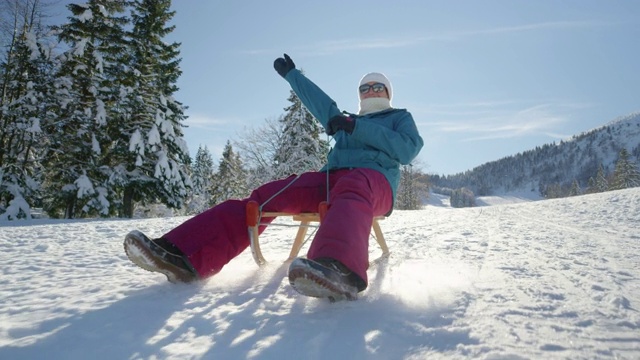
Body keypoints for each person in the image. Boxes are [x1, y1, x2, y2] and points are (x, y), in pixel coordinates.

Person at [124, 53, 423, 301]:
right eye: (365, 87)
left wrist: (356, 128)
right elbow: (323, 105)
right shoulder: (346, 119)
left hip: (374, 183)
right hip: (333, 179)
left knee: (353, 185)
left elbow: (407, 150)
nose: (370, 91)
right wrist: (292, 75)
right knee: (270, 194)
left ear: (387, 93)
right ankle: (185, 254)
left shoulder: (398, 118)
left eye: (377, 87)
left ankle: (339, 268)